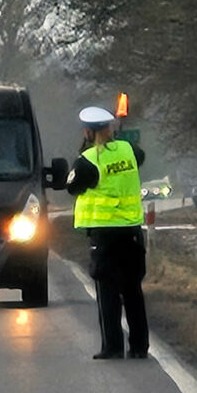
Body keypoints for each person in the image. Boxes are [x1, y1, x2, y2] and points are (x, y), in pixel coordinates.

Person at [67, 106, 149, 359]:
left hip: (105, 236)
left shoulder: (88, 160)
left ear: (89, 132)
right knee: (133, 290)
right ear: (110, 129)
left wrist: (84, 150)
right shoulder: (129, 151)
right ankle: (139, 347)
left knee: (108, 292)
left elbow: (72, 187)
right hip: (132, 232)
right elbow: (140, 156)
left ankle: (112, 347)